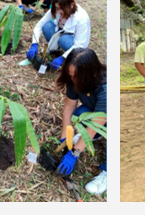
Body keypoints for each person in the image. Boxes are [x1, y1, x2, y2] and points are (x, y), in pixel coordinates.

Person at [53, 48, 108, 195]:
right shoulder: (74, 78)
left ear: (93, 73)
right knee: (80, 114)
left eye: (76, 76)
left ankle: (108, 172)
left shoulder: (105, 89)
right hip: (95, 114)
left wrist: (74, 154)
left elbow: (97, 123)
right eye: (71, 76)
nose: (73, 80)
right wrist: (65, 135)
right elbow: (69, 108)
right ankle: (90, 138)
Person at [28, 0, 90, 71]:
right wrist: (34, 44)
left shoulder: (82, 18)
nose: (59, 11)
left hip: (71, 41)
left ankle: (69, 57)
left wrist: (63, 58)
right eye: (57, 8)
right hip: (60, 33)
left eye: (61, 9)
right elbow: (39, 25)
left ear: (71, 5)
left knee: (64, 40)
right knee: (47, 27)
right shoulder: (57, 10)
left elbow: (80, 45)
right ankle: (55, 50)